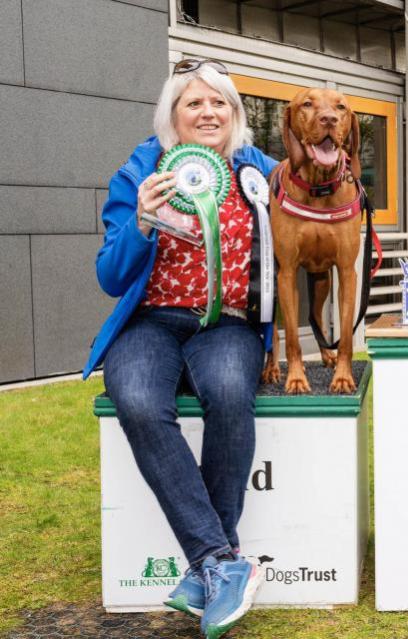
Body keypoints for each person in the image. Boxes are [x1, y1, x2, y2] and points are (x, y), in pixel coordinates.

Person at [82, 59, 277, 638]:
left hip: (230, 323)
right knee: (137, 400)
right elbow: (111, 277)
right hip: (153, 320)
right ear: (173, 115)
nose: (208, 112)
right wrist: (141, 223)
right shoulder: (139, 170)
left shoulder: (261, 170)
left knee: (228, 391)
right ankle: (221, 559)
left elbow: (309, 217)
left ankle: (208, 567)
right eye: (194, 103)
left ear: (235, 113)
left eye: (219, 103)